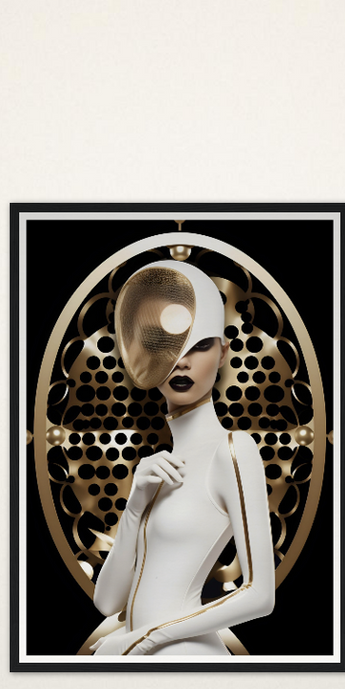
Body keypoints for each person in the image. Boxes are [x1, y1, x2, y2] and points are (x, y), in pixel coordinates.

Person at [82, 259, 276, 659]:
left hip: (185, 657)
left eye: (199, 345)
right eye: (167, 345)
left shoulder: (234, 450)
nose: (182, 361)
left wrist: (145, 638)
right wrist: (135, 505)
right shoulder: (160, 467)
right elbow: (106, 602)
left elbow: (261, 594)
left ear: (222, 353)